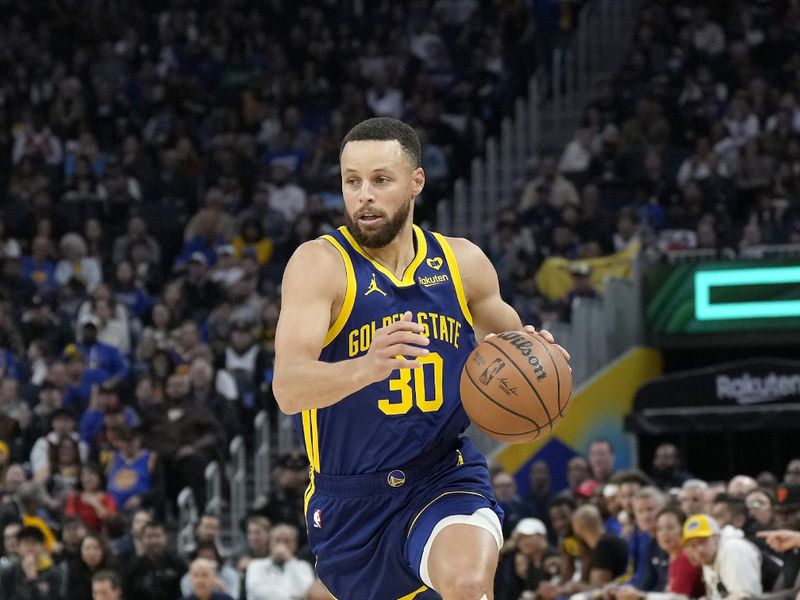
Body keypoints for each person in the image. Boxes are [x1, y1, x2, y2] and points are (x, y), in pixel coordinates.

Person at [272, 117, 570, 598]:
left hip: (442, 473)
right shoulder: (319, 265)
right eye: (352, 182)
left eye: (380, 180)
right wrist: (367, 366)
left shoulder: (463, 263)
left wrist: (538, 352)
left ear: (416, 182)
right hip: (350, 501)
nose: (363, 195)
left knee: (469, 585)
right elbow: (288, 388)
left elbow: (516, 343)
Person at [682, 514, 762, 600]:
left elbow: (745, 597)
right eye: (693, 545)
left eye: (703, 541)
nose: (700, 549)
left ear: (717, 537)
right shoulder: (709, 558)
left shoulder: (733, 549)